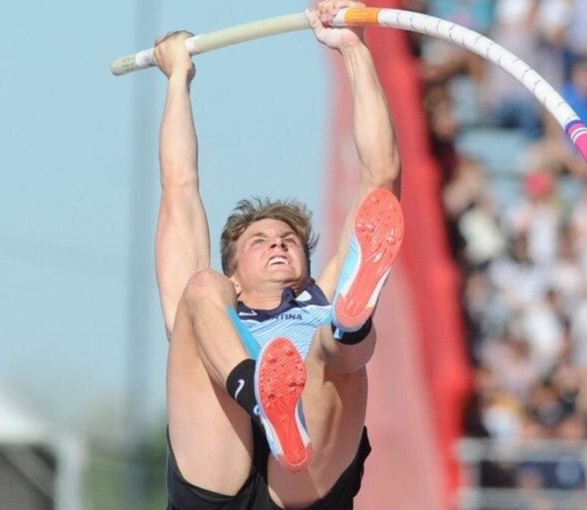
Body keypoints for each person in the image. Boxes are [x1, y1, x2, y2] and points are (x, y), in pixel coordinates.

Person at [152, 1, 403, 508]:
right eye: (260, 241)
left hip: (304, 474)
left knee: (332, 346)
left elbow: (380, 179)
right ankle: (264, 401)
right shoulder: (217, 302)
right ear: (237, 275)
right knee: (196, 291)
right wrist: (178, 78)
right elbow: (180, 188)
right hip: (217, 466)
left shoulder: (317, 294)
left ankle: (351, 325)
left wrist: (352, 46)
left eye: (288, 240)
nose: (279, 244)